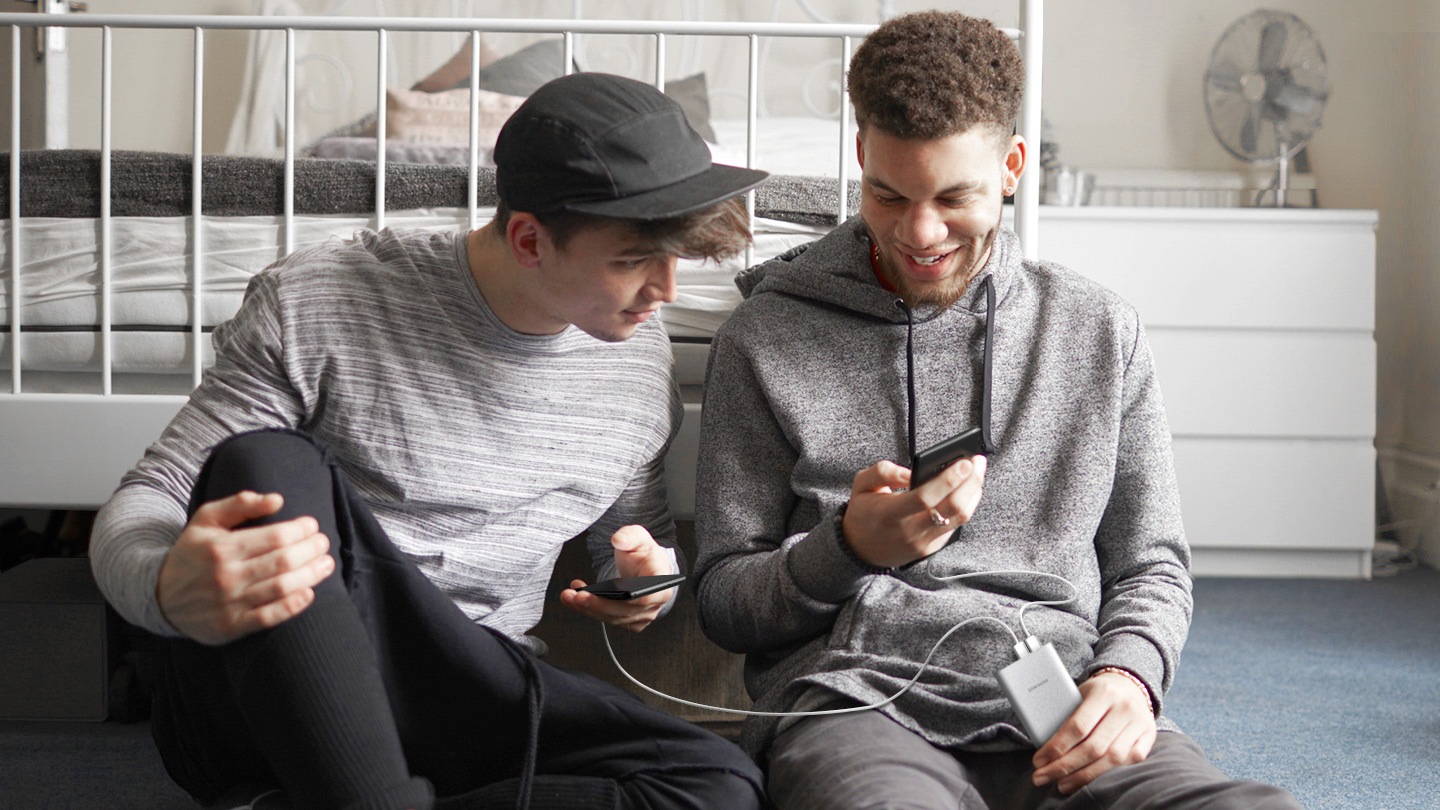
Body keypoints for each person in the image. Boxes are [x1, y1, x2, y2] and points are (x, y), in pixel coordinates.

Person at [90, 72, 769, 810]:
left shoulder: (637, 361)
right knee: (263, 464)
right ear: (529, 239)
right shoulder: (320, 300)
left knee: (719, 783)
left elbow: (630, 547)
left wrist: (644, 581)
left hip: (469, 687)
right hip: (283, 683)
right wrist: (165, 588)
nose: (666, 290)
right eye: (635, 260)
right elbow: (146, 501)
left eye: (676, 256)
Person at [693, 11, 1301, 810]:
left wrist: (1130, 676)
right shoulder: (766, 335)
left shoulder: (1097, 330)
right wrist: (844, 548)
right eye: (888, 192)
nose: (919, 232)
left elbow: (1150, 563)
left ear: (1011, 167)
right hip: (856, 702)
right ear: (860, 159)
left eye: (955, 196)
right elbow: (723, 601)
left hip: (1066, 695)